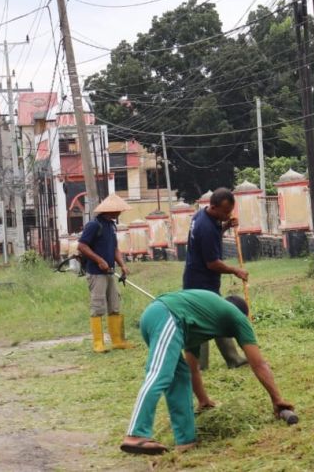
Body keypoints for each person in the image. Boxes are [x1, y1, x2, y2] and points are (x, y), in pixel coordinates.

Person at [120, 290, 293, 455]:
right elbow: (259, 364)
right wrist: (277, 399)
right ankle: (136, 434)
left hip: (167, 318)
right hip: (166, 315)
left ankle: (185, 440)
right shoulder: (238, 317)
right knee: (159, 374)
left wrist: (204, 400)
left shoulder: (203, 319)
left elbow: (193, 369)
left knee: (180, 377)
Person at [183, 188, 249, 368]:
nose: (228, 215)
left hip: (199, 278)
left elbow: (211, 237)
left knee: (217, 315)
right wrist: (235, 270)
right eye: (226, 212)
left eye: (230, 211)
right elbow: (212, 263)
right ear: (213, 207)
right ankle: (199, 364)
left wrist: (225, 226)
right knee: (200, 321)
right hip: (200, 281)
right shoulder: (206, 227)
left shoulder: (201, 216)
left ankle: (232, 359)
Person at [76, 193, 133, 353]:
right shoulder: (94, 225)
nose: (120, 212)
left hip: (110, 272)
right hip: (96, 273)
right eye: (118, 210)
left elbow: (115, 249)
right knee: (98, 307)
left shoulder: (111, 226)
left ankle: (117, 341)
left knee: (114, 305)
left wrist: (122, 265)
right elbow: (82, 246)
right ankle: (98, 344)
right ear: (110, 210)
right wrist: (99, 260)